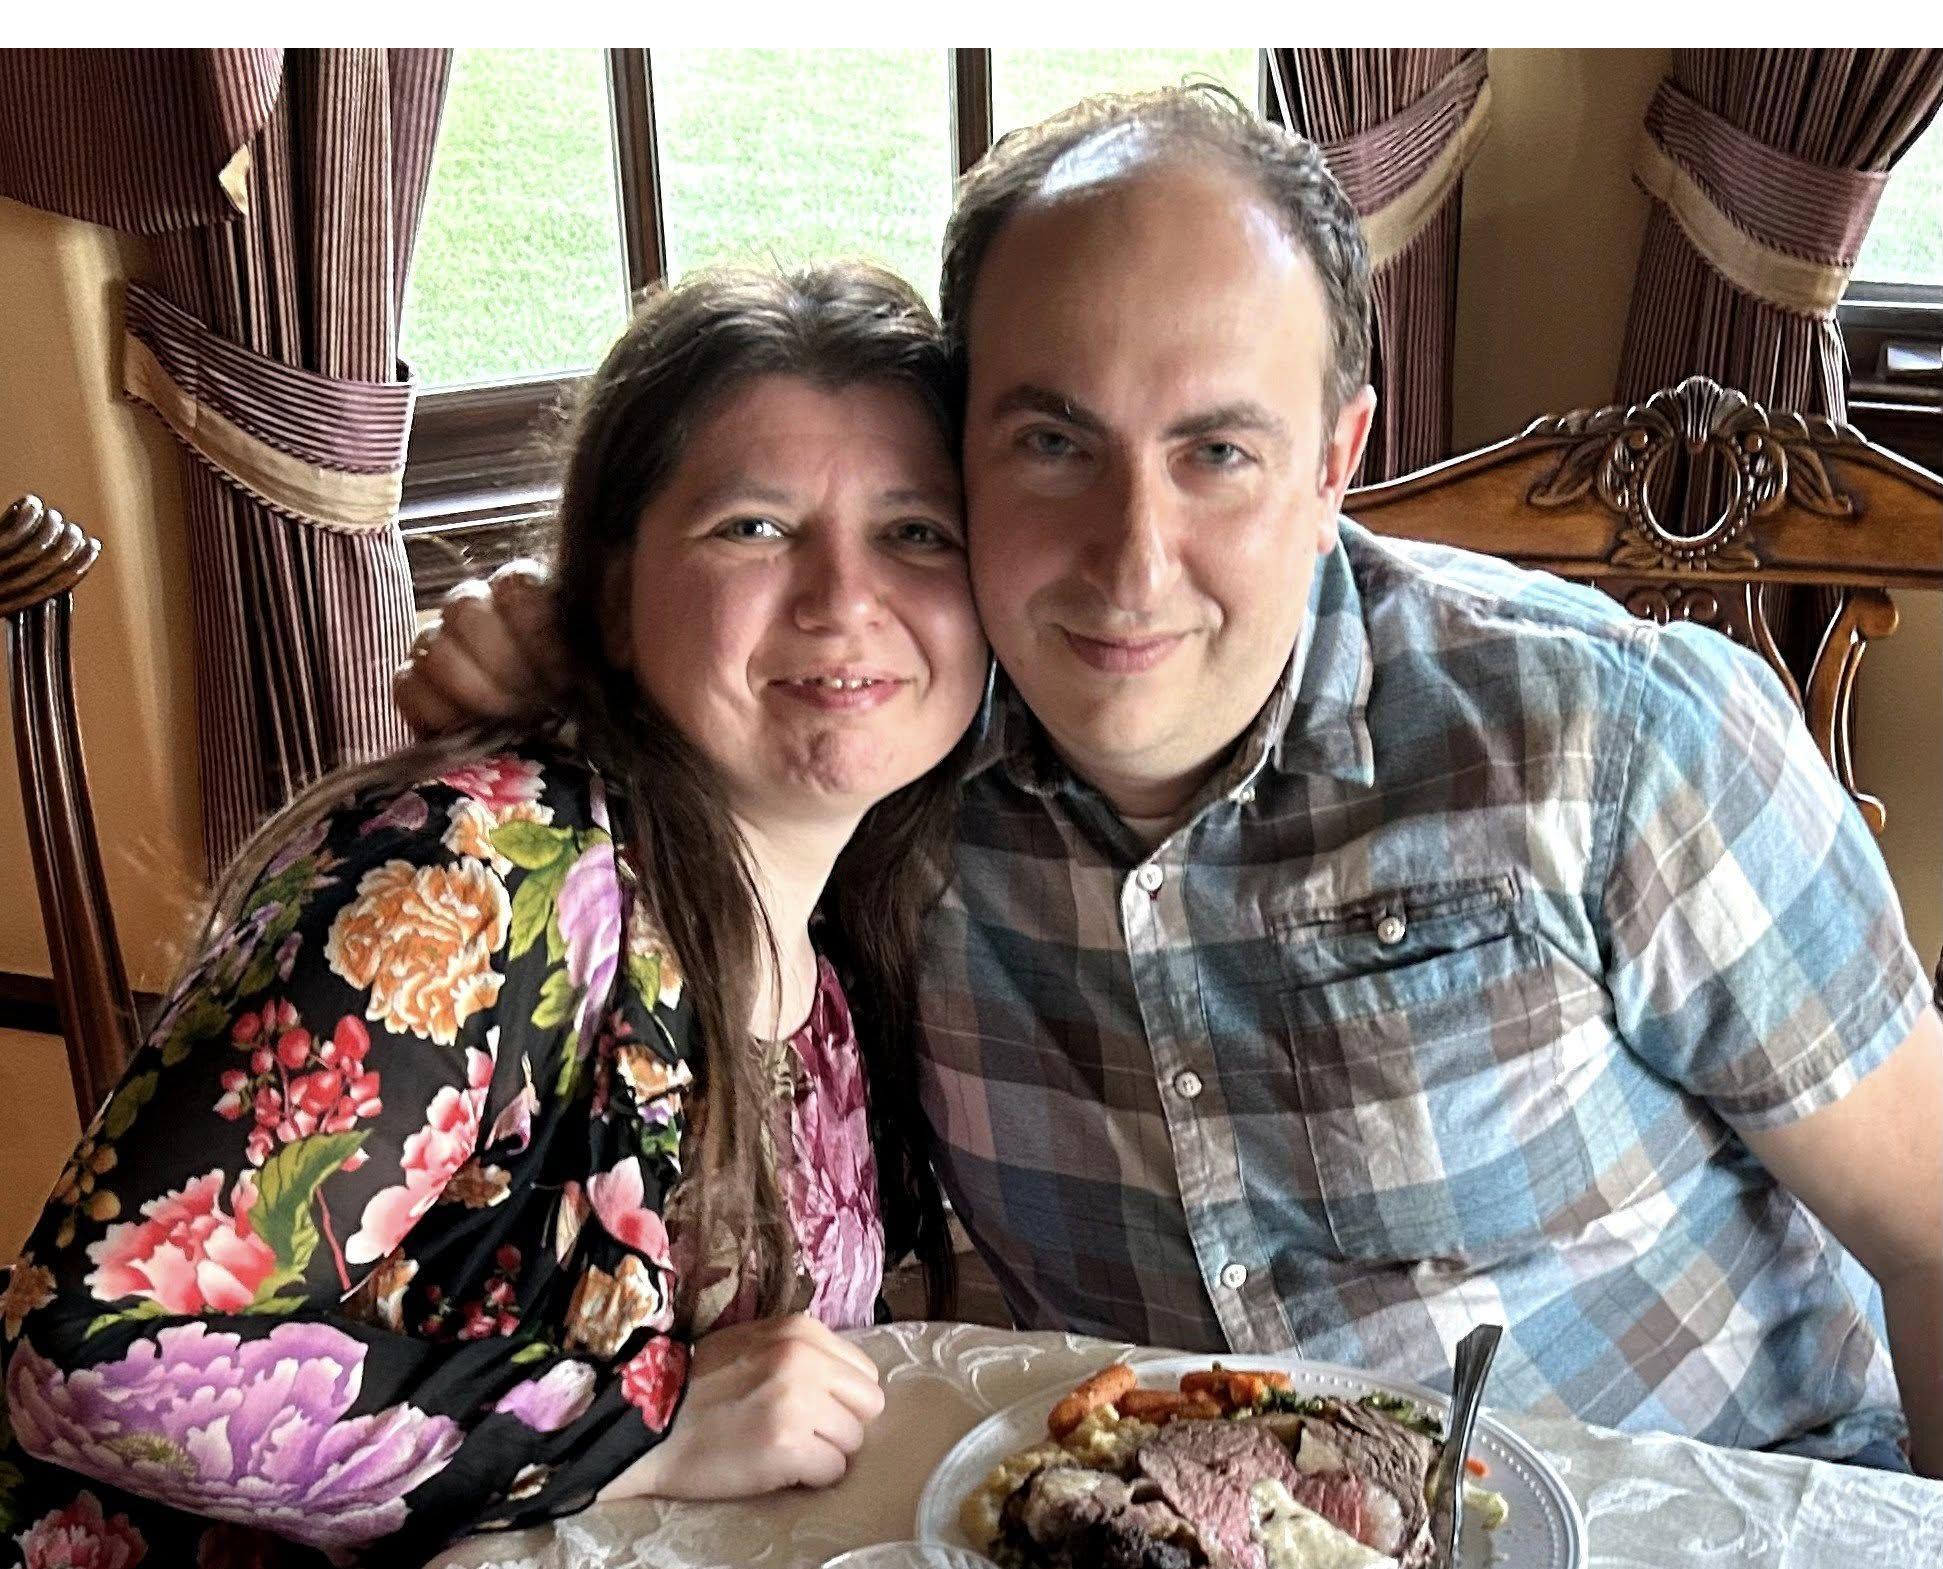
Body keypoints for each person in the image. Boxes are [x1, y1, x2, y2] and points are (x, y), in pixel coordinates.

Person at [405, 87, 1942, 1482]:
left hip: (1703, 1565)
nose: (1130, 562)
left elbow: (1934, 1233)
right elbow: (732, 655)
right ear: (964, 451)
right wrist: (572, 655)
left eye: (1216, 453)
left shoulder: (1608, 741)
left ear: (1335, 461)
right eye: (1053, 442)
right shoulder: (893, 763)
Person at [0, 261, 989, 1569]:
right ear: (608, 587)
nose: (841, 598)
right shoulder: (491, 869)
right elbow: (95, 1349)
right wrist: (631, 1427)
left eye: (917, 532)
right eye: (752, 526)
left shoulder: (848, 926)